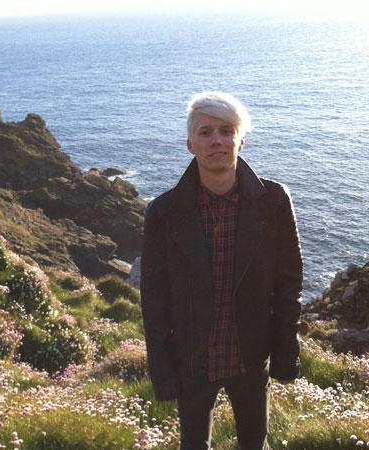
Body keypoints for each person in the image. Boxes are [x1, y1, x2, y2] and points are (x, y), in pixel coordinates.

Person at [140, 92, 303, 450]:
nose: (217, 140)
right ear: (190, 144)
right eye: (206, 132)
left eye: (227, 131)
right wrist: (163, 373)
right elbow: (154, 301)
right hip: (192, 359)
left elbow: (288, 286)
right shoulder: (164, 213)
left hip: (250, 354)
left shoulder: (274, 202)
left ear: (240, 140)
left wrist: (285, 356)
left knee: (253, 444)